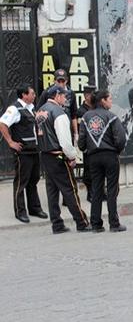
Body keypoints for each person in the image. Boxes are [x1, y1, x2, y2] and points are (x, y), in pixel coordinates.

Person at [36, 85, 90, 234]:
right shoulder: (59, 113)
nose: (66, 99)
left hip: (45, 155)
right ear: (57, 95)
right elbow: (65, 141)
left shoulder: (40, 111)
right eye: (64, 96)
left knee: (52, 191)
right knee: (70, 189)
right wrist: (72, 156)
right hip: (58, 155)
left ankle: (57, 224)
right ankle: (82, 222)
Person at [78, 90, 127, 233]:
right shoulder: (111, 117)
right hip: (110, 155)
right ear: (103, 101)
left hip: (93, 157)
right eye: (110, 99)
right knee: (112, 190)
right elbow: (121, 138)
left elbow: (81, 141)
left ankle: (96, 224)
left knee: (96, 190)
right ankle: (114, 223)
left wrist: (86, 149)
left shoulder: (86, 117)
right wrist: (116, 150)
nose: (111, 101)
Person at [0, 84, 47, 223]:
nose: (34, 96)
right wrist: (10, 142)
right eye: (32, 93)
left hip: (33, 150)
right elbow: (2, 124)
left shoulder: (31, 108)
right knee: (21, 182)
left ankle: (35, 208)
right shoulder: (14, 109)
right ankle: (20, 211)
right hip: (23, 152)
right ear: (24, 95)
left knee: (33, 180)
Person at [37, 69, 78, 140]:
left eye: (63, 81)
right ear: (54, 80)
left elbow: (73, 115)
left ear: (67, 80)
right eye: (59, 81)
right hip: (52, 130)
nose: (61, 84)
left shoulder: (71, 93)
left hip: (66, 128)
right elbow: (38, 111)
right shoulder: (47, 92)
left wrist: (76, 133)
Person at [77, 85, 97, 201]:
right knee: (89, 170)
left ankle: (99, 192)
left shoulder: (96, 108)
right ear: (87, 96)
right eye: (92, 94)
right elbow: (81, 130)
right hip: (88, 145)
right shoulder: (81, 111)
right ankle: (90, 193)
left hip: (97, 144)